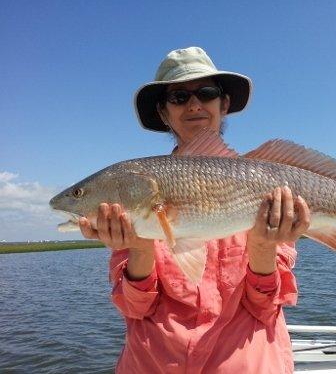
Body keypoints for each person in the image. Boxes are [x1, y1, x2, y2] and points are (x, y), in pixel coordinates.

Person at [79, 47, 311, 373]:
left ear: (224, 103)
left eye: (207, 93)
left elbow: (265, 306)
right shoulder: (134, 192)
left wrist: (263, 246)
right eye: (178, 97)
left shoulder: (265, 182)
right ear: (163, 111)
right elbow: (135, 307)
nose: (194, 104)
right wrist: (140, 244)